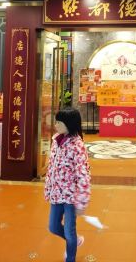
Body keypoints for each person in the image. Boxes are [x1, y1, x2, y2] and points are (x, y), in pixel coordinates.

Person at [44, 108, 91, 262]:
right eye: (56, 121)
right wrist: (49, 188)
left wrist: (82, 201)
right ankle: (76, 241)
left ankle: (70, 257)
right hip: (57, 194)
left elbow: (83, 175)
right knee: (53, 226)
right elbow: (51, 168)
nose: (55, 125)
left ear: (69, 124)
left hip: (71, 198)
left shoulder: (77, 146)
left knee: (70, 233)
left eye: (59, 122)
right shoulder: (56, 141)